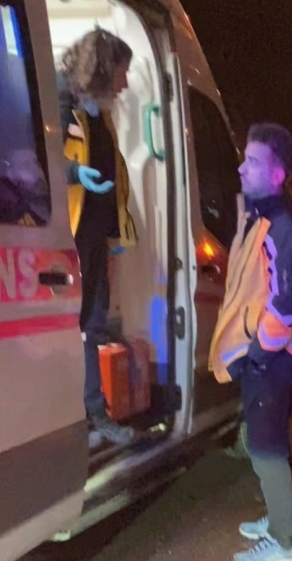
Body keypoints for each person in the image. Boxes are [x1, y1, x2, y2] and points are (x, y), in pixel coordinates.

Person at [209, 123, 292, 561]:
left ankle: (284, 544)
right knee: (269, 443)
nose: (241, 168)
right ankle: (277, 521)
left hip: (270, 358)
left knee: (267, 448)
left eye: (252, 162)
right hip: (266, 356)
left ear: (277, 174)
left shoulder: (282, 227)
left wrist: (257, 354)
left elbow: (286, 306)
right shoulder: (261, 219)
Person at [59, 28, 136, 445]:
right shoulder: (61, 100)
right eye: (121, 72)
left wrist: (116, 231)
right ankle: (72, 422)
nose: (124, 83)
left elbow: (115, 173)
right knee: (68, 331)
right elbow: (36, 159)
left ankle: (94, 414)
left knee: (93, 327)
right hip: (67, 239)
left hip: (94, 238)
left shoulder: (99, 112)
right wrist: (74, 173)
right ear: (103, 70)